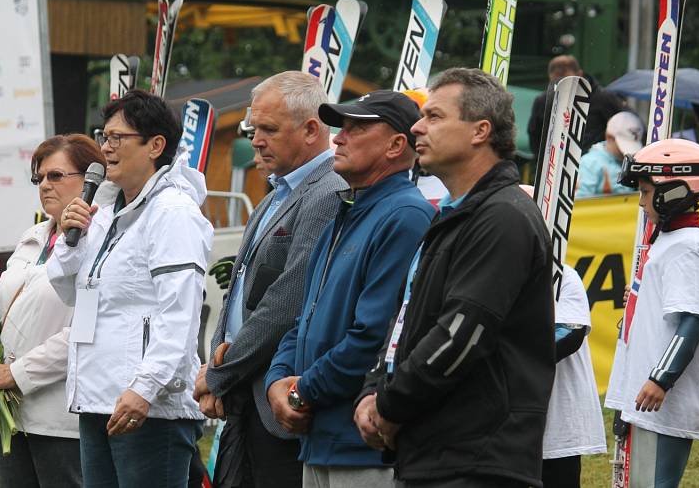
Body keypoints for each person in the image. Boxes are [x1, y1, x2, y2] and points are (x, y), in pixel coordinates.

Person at [354, 68, 555, 487]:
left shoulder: (502, 216)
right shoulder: (451, 213)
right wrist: (372, 391)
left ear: (480, 131)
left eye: (435, 116)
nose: (416, 126)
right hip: (433, 452)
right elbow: (405, 321)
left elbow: (462, 334)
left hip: (478, 459)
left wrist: (389, 405)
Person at [265, 90, 435, 488]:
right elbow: (301, 321)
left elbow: (374, 335)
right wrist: (277, 381)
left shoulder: (407, 215)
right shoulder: (344, 213)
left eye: (356, 128)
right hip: (319, 438)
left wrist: (300, 391)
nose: (338, 137)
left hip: (364, 445)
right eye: (341, 127)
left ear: (396, 144)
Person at [47, 89, 213, 488]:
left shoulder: (173, 212)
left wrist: (145, 387)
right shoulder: (107, 211)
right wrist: (71, 238)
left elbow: (181, 312)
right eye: (104, 136)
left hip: (147, 408)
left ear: (156, 145)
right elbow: (74, 295)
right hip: (97, 398)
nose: (106, 147)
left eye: (118, 138)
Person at [194, 71, 347, 488]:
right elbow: (236, 297)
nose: (254, 140)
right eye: (252, 128)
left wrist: (218, 374)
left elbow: (286, 303)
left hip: (281, 401)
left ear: (312, 129)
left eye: (268, 129)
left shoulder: (327, 192)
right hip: (245, 393)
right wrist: (218, 368)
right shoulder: (277, 194)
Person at [0, 134, 105, 487]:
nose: (44, 185)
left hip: (63, 413)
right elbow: (12, 310)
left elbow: (87, 330)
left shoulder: (102, 239)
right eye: (39, 177)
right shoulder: (33, 237)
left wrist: (18, 374)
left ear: (90, 180)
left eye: (56, 176)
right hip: (12, 410)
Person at [604, 139, 699, 487]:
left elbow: (693, 319)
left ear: (674, 192)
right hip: (648, 400)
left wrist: (661, 378)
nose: (642, 202)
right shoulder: (668, 241)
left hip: (662, 401)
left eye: (646, 193)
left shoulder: (687, 246)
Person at [518, 185, 607, 487]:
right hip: (509, 420)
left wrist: (508, 358)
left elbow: (569, 335)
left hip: (557, 418)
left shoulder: (563, 275)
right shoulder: (492, 272)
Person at [528, 55, 627, 155]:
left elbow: (628, 125)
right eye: (557, 84)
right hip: (555, 163)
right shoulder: (543, 102)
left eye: (568, 83)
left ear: (580, 74)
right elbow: (535, 136)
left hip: (595, 163)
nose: (563, 89)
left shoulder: (603, 98)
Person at [577, 111, 645, 198]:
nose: (627, 152)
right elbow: (579, 203)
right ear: (609, 137)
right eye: (623, 145)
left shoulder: (634, 161)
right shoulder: (590, 163)